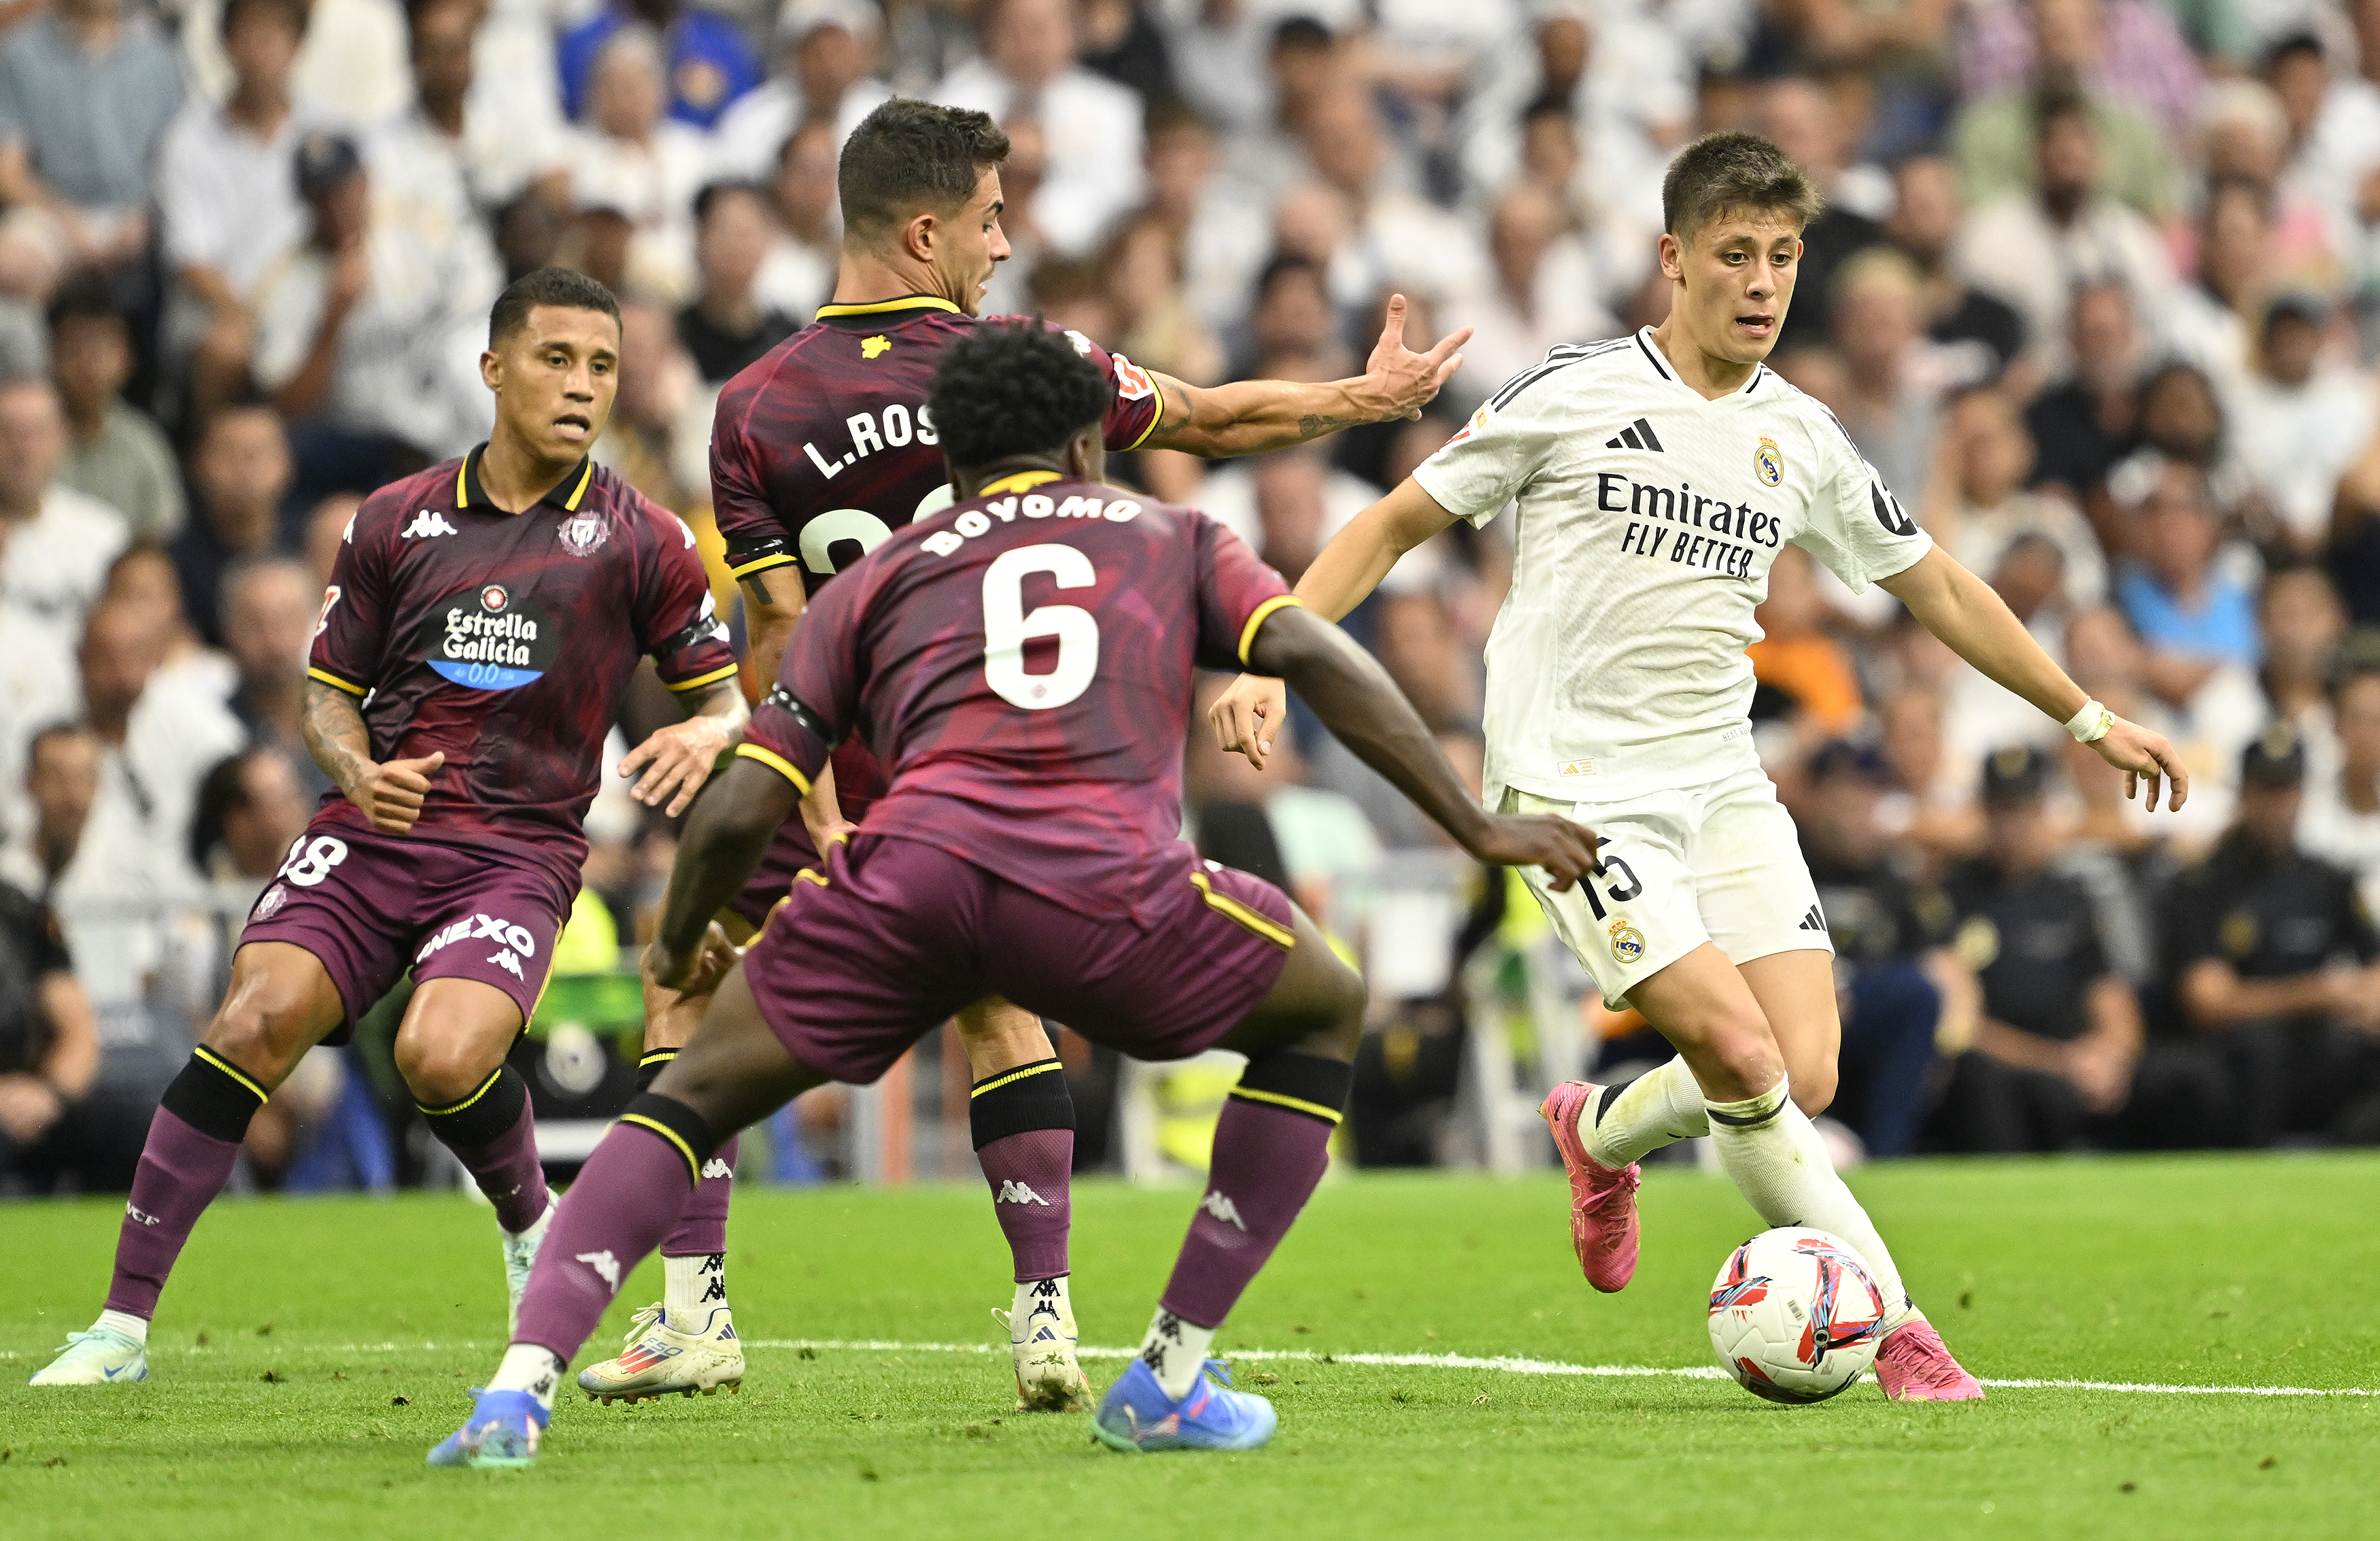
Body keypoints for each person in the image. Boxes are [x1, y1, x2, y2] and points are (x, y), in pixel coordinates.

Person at [425, 318, 1597, 1467]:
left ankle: (516, 1396)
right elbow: (1315, 657)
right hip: (1105, 888)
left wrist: (683, 940)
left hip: (907, 881)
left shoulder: (874, 579)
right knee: (1322, 1007)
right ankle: (1170, 1375)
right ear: (1089, 442)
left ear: (952, 455)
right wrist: (1476, 824)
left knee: (684, 1102)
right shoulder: (1171, 535)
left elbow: (748, 789)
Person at [1208, 131, 2195, 1402]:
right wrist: (1264, 653)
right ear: (1675, 260)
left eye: (1784, 257)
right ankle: (1894, 1325)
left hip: (1720, 782)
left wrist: (2086, 716)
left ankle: (1598, 1129)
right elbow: (1398, 521)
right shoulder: (1571, 390)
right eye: (1736, 254)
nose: (1764, 283)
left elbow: (1936, 580)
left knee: (1808, 1067)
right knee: (1743, 1059)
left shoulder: (1803, 434)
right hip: (1573, 789)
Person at [623, 97, 1474, 1412]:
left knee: (686, 981)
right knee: (994, 998)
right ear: (924, 232)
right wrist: (1358, 399)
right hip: (998, 739)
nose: (1005, 244)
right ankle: (1044, 1323)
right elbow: (1206, 419)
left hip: (831, 747)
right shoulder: (1020, 363)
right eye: (988, 218)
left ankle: (692, 1316)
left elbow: (779, 632)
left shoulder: (753, 406)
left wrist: (824, 803)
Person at [25, 267, 747, 1387]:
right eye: (557, 359)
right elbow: (326, 692)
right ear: (494, 369)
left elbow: (726, 695)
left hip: (516, 852)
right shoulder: (394, 517)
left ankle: (524, 1220)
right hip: (373, 835)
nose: (583, 387)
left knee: (439, 1054)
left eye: (602, 367)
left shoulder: (642, 536)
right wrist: (353, 766)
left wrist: (709, 732)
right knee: (252, 1021)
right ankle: (120, 1327)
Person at [2167, 724, 2380, 1147]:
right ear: (2243, 794)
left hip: (2323, 1046)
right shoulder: (2204, 885)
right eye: (2266, 790)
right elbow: (2210, 1004)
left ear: (2304, 795)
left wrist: (2362, 999)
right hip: (2241, 1054)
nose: (2278, 805)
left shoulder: (2329, 880)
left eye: (2287, 790)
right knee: (2259, 1049)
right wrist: (2322, 992)